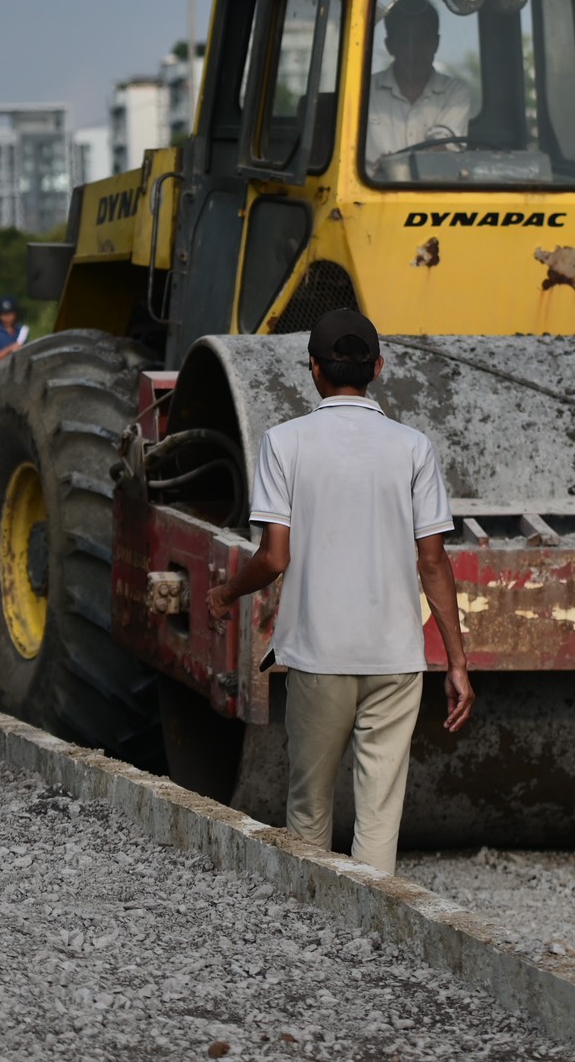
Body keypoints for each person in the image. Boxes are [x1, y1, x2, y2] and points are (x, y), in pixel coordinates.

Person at [205, 308, 474, 874]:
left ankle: (315, 935)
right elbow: (433, 562)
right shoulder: (413, 447)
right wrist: (456, 661)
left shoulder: (285, 443)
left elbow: (274, 557)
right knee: (379, 816)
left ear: (313, 370)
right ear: (378, 367)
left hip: (318, 656)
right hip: (395, 658)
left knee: (308, 810)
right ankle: (371, 934)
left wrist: (227, 594)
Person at [363, 0, 474, 165]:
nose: (414, 49)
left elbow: (443, 148)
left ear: (436, 43)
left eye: (422, 40)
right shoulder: (363, 92)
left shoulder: (455, 93)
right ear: (389, 45)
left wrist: (393, 163)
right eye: (404, 40)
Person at [0, 296, 28, 371]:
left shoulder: (22, 331)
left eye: (11, 313)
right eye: (5, 314)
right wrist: (9, 349)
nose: (9, 316)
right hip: (1, 376)